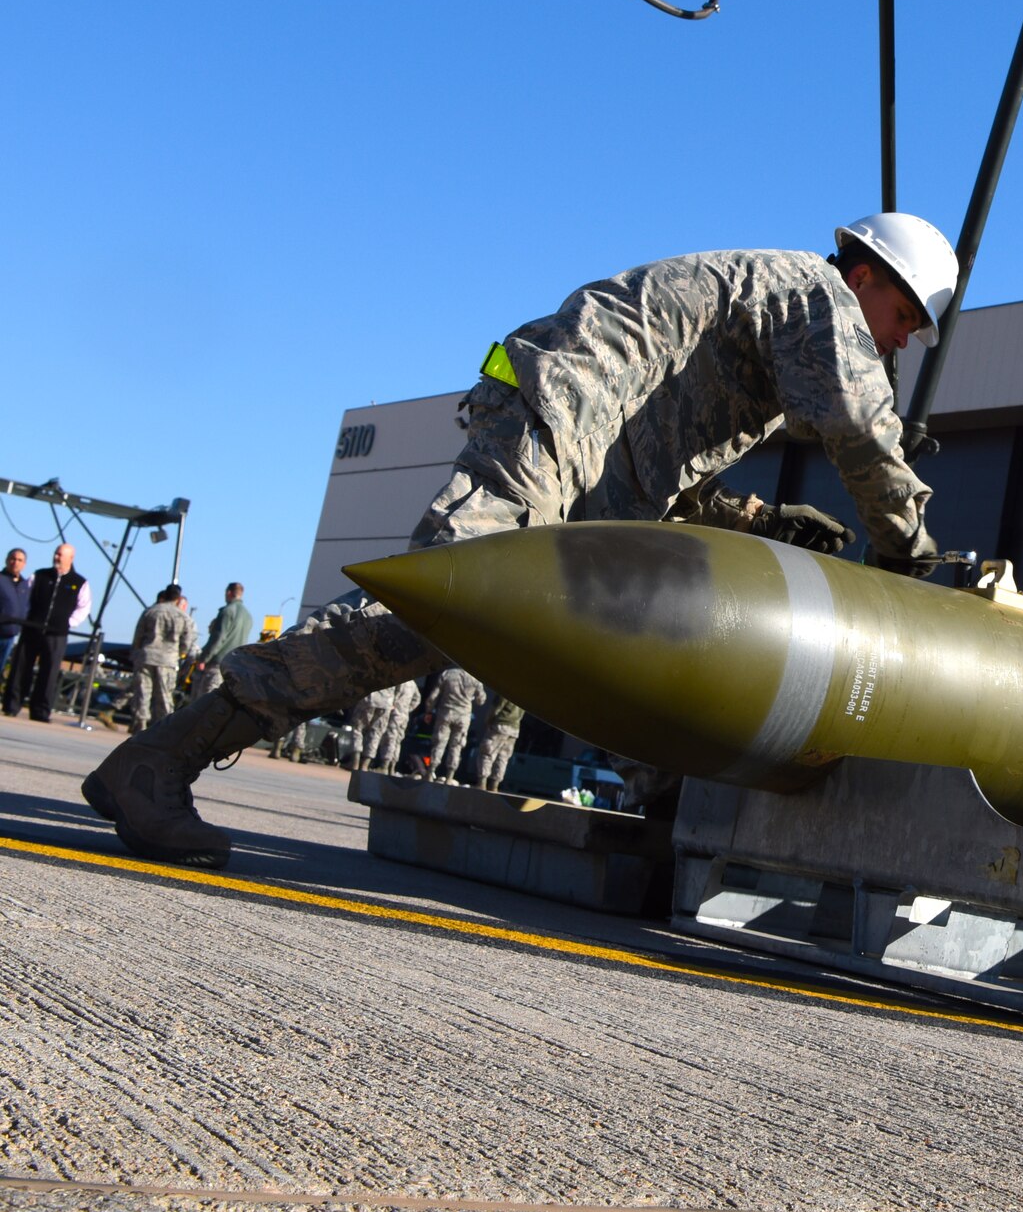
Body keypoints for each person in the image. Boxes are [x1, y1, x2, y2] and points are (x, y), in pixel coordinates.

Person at [83, 212, 962, 868]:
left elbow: (668, 465)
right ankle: (161, 761)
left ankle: (668, 822)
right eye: (904, 322)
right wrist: (907, 541)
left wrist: (759, 521)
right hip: (552, 419)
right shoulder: (815, 296)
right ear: (865, 279)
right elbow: (859, 419)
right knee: (438, 610)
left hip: (575, 439)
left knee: (627, 637)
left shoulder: (766, 318)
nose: (898, 344)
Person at [3, 544, 90, 722]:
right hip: (32, 629)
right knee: (21, 668)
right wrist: (28, 619)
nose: (57, 557)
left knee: (49, 672)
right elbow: (25, 598)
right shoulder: (40, 575)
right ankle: (12, 705)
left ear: (70, 558)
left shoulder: (79, 582)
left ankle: (40, 711)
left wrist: (68, 623)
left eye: (61, 555)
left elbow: (84, 607)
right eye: (56, 554)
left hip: (57, 634)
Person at [128, 585, 197, 733]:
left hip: (146, 655)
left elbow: (138, 635)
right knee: (164, 694)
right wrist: (179, 653)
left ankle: (140, 723)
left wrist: (136, 652)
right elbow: (187, 640)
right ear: (178, 598)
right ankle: (164, 727)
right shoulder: (182, 616)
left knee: (142, 692)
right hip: (168, 659)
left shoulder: (150, 611)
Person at [190, 584, 255, 698]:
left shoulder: (227, 611)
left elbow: (218, 638)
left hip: (218, 664)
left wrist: (203, 659)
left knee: (205, 702)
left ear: (229, 593)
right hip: (235, 666)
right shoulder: (248, 616)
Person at [423, 669, 486, 783]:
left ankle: (430, 772)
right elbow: (481, 700)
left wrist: (429, 711)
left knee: (439, 743)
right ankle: (449, 776)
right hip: (463, 717)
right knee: (456, 746)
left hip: (445, 713)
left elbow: (433, 697)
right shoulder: (475, 678)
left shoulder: (447, 674)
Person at [473, 695, 526, 791]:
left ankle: (482, 783)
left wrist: (488, 721)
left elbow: (496, 708)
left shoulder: (506, 690)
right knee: (503, 758)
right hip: (514, 729)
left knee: (487, 753)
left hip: (500, 724)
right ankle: (494, 785)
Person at [0, 548, 30, 683]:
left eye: (20, 560)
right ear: (7, 560)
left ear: (24, 564)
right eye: (13, 559)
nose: (15, 562)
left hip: (10, 636)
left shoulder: (25, 585)